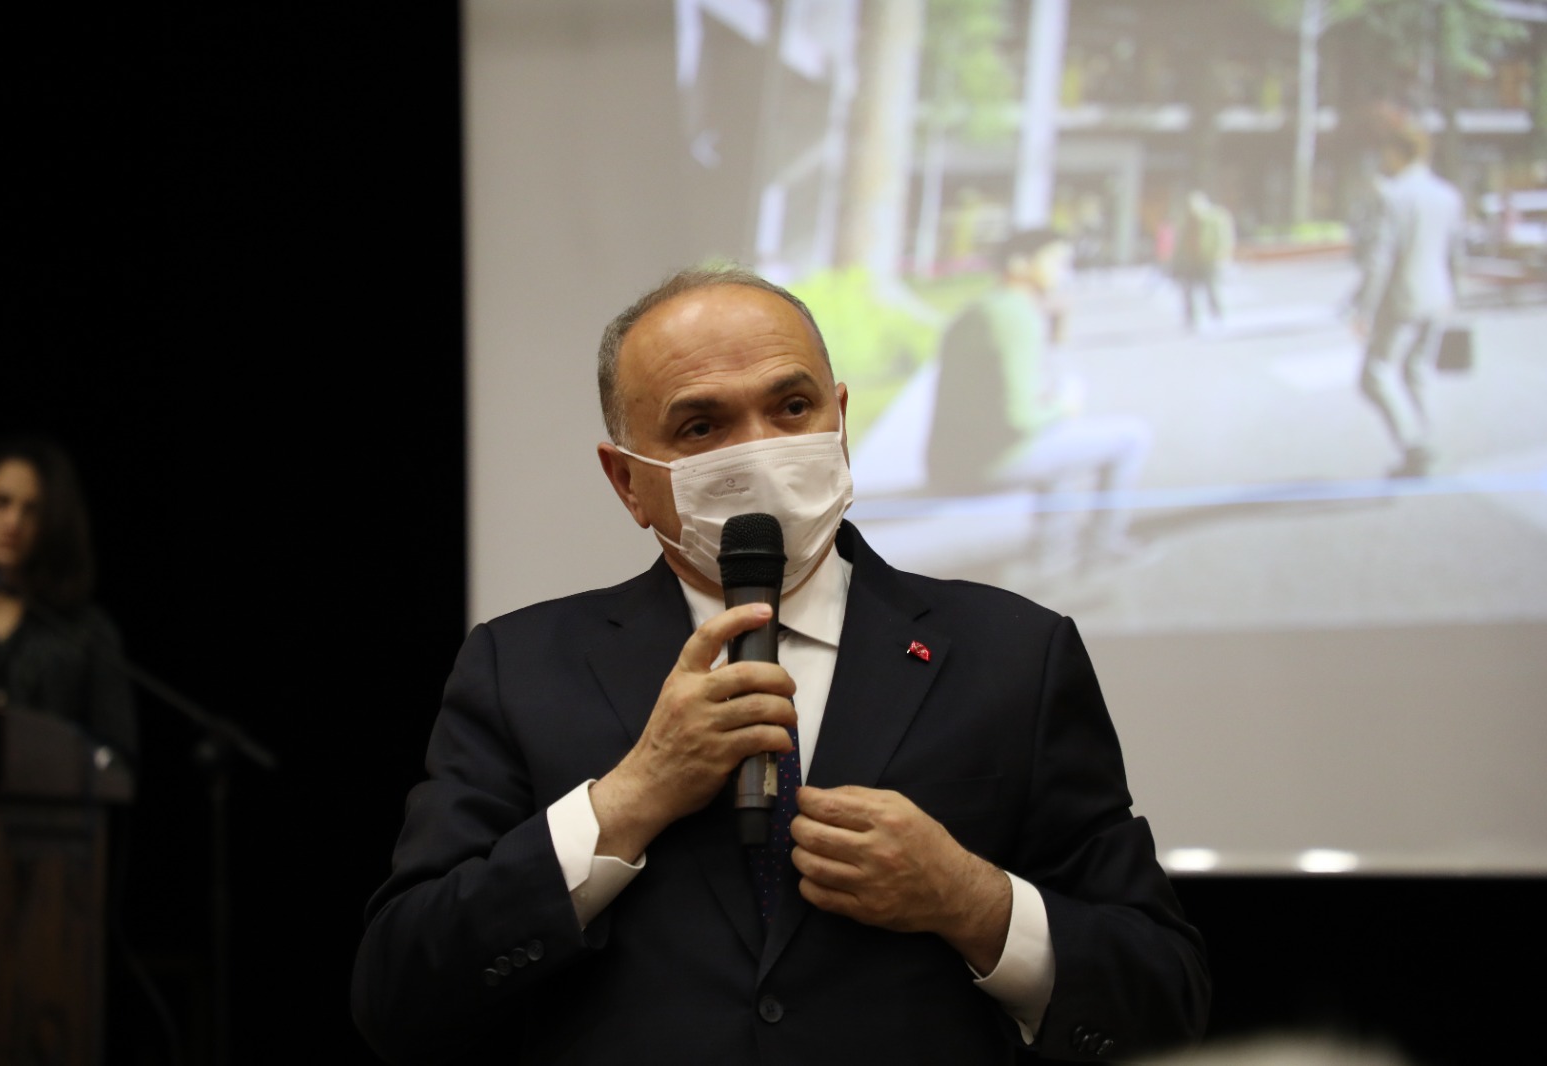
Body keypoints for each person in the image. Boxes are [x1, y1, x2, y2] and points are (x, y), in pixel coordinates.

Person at [351, 265, 1210, 1064]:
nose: (760, 450)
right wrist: (627, 802)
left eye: (792, 407)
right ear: (627, 482)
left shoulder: (1015, 654)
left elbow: (1164, 998)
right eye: (701, 426)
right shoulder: (520, 667)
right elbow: (399, 992)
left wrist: (971, 900)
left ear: (840, 422)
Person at [924, 228, 1154, 572]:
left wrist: (1054, 334)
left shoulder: (985, 309)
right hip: (986, 465)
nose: (1065, 271)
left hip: (949, 460)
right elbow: (1020, 419)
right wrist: (1065, 407)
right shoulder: (1016, 315)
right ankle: (1102, 545)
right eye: (1057, 261)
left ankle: (1052, 552)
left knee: (1060, 443)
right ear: (1019, 264)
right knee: (1132, 436)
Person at [0, 434, 138, 765]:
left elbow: (117, 756)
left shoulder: (85, 630)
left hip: (52, 796)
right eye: (0, 502)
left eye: (31, 510)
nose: (13, 522)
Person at [1352, 117, 1465, 479]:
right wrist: (1454, 294)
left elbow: (1379, 258)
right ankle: (1425, 440)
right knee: (1416, 372)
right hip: (1437, 296)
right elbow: (1455, 252)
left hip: (1401, 298)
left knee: (1374, 375)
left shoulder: (1392, 195)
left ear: (1397, 153)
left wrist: (1364, 308)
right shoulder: (1447, 195)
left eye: (1385, 152)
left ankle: (1414, 445)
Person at [1171, 190, 1235, 333]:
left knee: (1211, 288)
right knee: (1188, 289)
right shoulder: (1187, 220)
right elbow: (1180, 241)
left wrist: (1221, 255)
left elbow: (1224, 238)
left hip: (1208, 259)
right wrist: (1177, 259)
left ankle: (1217, 315)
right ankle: (1190, 318)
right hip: (1190, 259)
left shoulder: (1216, 217)